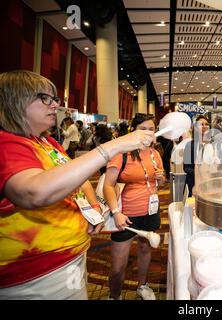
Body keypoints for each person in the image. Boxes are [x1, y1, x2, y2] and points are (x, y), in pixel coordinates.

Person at [0, 70, 155, 299]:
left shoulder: (47, 142)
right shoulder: (7, 144)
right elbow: (33, 193)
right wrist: (114, 146)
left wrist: (92, 207)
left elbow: (80, 180)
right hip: (35, 275)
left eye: (55, 99)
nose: (55, 105)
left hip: (70, 258)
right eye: (45, 98)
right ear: (15, 100)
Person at [103, 114, 165, 300]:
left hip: (150, 211)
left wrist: (161, 180)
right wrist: (116, 213)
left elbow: (157, 182)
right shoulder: (122, 153)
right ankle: (114, 296)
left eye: (152, 129)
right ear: (134, 130)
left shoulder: (155, 154)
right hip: (125, 215)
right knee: (118, 266)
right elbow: (107, 185)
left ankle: (142, 286)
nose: (148, 133)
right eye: (143, 129)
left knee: (146, 251)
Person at [183, 115, 210, 197]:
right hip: (193, 183)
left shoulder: (213, 145)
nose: (204, 126)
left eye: (206, 124)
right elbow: (186, 168)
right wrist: (199, 173)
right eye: (201, 124)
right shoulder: (189, 145)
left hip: (208, 184)